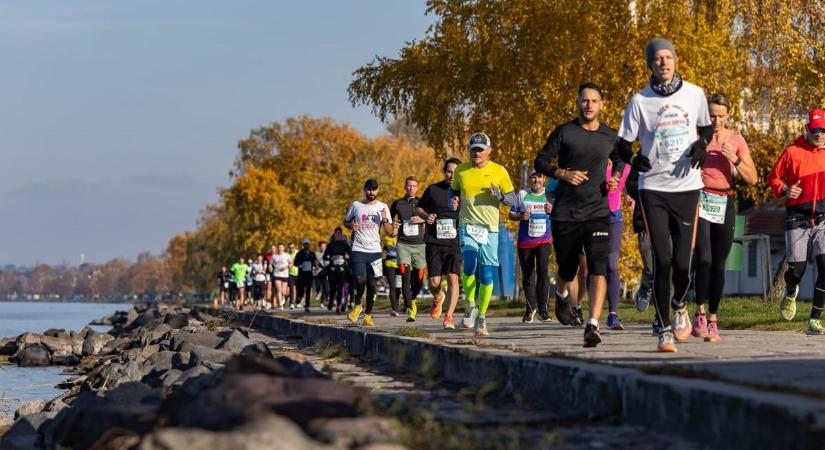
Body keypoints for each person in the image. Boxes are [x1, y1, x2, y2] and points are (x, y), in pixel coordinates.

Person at [615, 38, 714, 352]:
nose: (664, 62)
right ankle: (665, 331)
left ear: (675, 60)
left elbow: (707, 128)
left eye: (668, 57)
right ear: (651, 64)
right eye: (657, 58)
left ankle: (679, 301)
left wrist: (701, 146)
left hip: (686, 187)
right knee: (662, 259)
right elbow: (621, 144)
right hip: (652, 187)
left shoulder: (694, 93)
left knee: (684, 265)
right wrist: (632, 159)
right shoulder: (640, 101)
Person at [535, 82, 624, 347]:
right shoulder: (565, 132)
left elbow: (620, 160)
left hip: (597, 211)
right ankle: (561, 293)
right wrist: (563, 173)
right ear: (578, 103)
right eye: (584, 100)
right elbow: (541, 161)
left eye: (594, 101)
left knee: (598, 267)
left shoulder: (609, 136)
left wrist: (616, 179)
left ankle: (593, 324)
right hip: (566, 212)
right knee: (567, 267)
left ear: (601, 104)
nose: (589, 105)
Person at [691, 93, 758, 342]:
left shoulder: (735, 139)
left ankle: (713, 318)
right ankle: (698, 311)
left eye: (720, 116)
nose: (716, 120)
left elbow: (752, 178)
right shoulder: (697, 137)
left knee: (719, 264)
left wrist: (735, 159)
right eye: (711, 115)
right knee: (704, 259)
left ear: (728, 115)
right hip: (701, 200)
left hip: (726, 201)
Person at [452, 132, 517, 336]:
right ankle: (470, 304)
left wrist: (499, 195)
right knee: (469, 264)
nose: (477, 153)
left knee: (487, 274)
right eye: (473, 149)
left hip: (490, 229)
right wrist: (452, 200)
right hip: (468, 226)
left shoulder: (499, 171)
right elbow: (453, 191)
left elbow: (513, 199)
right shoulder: (461, 171)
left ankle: (481, 318)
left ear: (489, 151)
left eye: (481, 149)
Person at [767, 108, 825, 334]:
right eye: (815, 130)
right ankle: (791, 290)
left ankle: (815, 319)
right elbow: (773, 176)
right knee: (796, 272)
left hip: (823, 219)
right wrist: (783, 189)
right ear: (806, 130)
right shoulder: (792, 152)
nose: (819, 134)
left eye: (823, 130)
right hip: (797, 218)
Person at [418, 157, 463, 329]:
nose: (452, 175)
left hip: (454, 243)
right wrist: (426, 216)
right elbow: (420, 208)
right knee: (434, 283)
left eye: (455, 172)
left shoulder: (463, 192)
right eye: (449, 171)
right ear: (445, 172)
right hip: (435, 242)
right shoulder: (433, 190)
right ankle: (438, 296)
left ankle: (449, 316)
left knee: (453, 278)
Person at [344, 179, 394, 327]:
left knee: (372, 285)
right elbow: (345, 221)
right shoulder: (356, 205)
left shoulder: (383, 207)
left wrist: (385, 219)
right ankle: (358, 305)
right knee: (360, 280)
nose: (371, 192)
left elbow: (390, 232)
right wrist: (350, 225)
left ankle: (368, 315)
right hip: (358, 249)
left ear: (378, 190)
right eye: (368, 190)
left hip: (375, 251)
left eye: (374, 190)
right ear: (364, 190)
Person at [508, 171, 555, 324]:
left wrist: (553, 211)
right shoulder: (522, 194)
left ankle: (543, 311)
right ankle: (530, 309)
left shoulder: (550, 195)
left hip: (544, 239)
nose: (536, 180)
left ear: (544, 179)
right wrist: (521, 217)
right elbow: (511, 214)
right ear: (530, 179)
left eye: (540, 177)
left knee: (542, 271)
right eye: (533, 177)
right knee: (528, 275)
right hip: (525, 241)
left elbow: (560, 213)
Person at [390, 176, 428, 322]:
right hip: (403, 244)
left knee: (419, 278)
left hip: (419, 244)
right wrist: (392, 228)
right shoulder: (397, 203)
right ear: (405, 187)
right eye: (409, 186)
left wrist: (422, 219)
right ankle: (409, 307)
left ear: (417, 188)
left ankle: (411, 298)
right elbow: (388, 219)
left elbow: (432, 217)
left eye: (413, 186)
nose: (411, 188)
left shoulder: (422, 202)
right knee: (405, 275)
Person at [605, 162, 631, 330]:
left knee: (612, 265)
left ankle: (612, 314)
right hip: (592, 217)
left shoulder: (625, 167)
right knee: (594, 267)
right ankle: (591, 315)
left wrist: (632, 197)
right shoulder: (593, 161)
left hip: (614, 218)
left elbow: (634, 185)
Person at [324, 227, 351, 313]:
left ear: (341, 234)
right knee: (332, 288)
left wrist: (346, 257)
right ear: (334, 234)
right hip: (332, 268)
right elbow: (325, 257)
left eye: (339, 233)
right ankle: (331, 301)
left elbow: (350, 255)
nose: (338, 235)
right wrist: (331, 258)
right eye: (336, 233)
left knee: (340, 287)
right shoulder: (330, 245)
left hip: (342, 268)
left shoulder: (344, 244)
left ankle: (338, 306)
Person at [293, 238, 318, 313]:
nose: (306, 245)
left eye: (307, 244)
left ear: (309, 245)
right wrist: (299, 265)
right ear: (303, 245)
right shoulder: (299, 253)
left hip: (309, 274)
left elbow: (315, 262)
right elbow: (295, 263)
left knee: (308, 290)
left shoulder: (312, 254)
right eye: (305, 244)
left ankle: (307, 306)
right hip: (301, 274)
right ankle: (299, 297)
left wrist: (316, 266)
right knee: (300, 288)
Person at [382, 233, 402, 316]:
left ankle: (396, 301)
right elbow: (382, 250)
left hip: (400, 265)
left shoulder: (402, 236)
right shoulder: (386, 237)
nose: (394, 229)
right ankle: (394, 309)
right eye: (393, 226)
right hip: (389, 264)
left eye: (397, 226)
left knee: (398, 287)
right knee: (392, 285)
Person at [271, 243, 291, 310]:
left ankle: (283, 298)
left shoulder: (287, 255)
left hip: (285, 274)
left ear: (283, 248)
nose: (280, 248)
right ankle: (280, 305)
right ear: (277, 248)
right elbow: (271, 263)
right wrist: (270, 266)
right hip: (277, 274)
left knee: (284, 292)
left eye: (281, 247)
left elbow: (291, 263)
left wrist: (287, 267)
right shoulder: (274, 256)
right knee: (279, 290)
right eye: (279, 247)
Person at [314, 241, 330, 308]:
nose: (323, 247)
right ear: (319, 247)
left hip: (325, 273)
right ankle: (319, 293)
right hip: (318, 272)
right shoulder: (317, 254)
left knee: (325, 288)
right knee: (318, 287)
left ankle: (322, 302)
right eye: (321, 246)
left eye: (324, 246)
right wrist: (316, 264)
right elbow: (314, 262)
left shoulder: (329, 254)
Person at [287, 242, 299, 308]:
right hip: (290, 273)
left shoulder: (298, 253)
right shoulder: (287, 255)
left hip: (298, 273)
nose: (291, 249)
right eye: (290, 248)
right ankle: (291, 303)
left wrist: (293, 263)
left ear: (295, 247)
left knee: (298, 288)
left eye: (293, 248)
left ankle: (298, 301)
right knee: (292, 288)